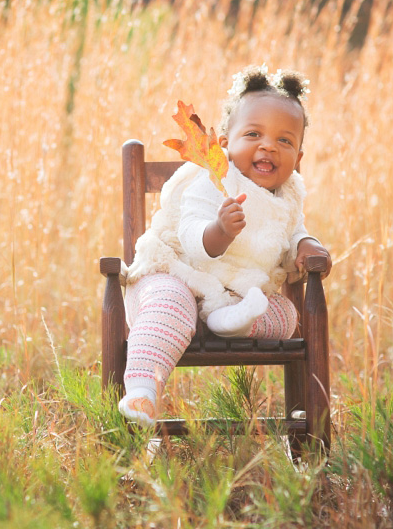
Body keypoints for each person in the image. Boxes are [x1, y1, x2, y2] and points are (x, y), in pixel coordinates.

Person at [117, 64, 332, 427]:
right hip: (178, 276)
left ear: (298, 159)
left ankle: (230, 323)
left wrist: (308, 245)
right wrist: (219, 230)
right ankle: (142, 391)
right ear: (225, 144)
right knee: (169, 302)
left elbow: (294, 230)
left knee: (286, 316)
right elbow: (188, 234)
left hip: (231, 299)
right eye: (253, 134)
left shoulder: (288, 196)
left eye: (285, 141)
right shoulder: (212, 180)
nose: (268, 146)